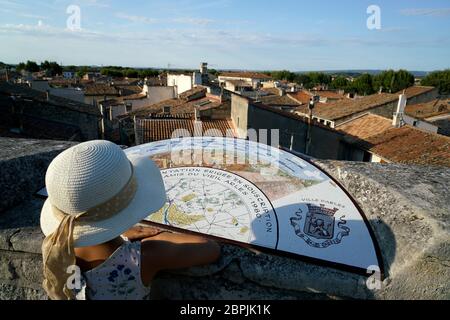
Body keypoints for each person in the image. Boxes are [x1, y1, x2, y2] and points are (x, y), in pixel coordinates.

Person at [40, 140, 221, 300]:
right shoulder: (142, 258)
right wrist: (155, 239)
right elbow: (210, 248)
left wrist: (119, 230)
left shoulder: (56, 251)